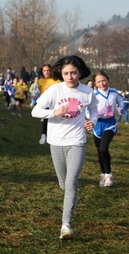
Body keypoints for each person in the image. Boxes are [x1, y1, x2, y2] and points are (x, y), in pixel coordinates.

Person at [31, 55, 97, 240]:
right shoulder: (54, 90)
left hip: (77, 141)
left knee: (71, 183)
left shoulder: (87, 91)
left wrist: (92, 121)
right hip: (56, 142)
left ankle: (65, 226)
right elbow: (35, 111)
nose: (70, 77)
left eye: (74, 73)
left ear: (80, 73)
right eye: (66, 73)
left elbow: (93, 109)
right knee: (64, 184)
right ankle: (71, 196)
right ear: (61, 72)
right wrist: (55, 112)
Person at [92, 71, 124, 188]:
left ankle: (109, 174)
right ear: (96, 83)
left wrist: (120, 107)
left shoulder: (114, 92)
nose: (102, 83)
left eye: (104, 80)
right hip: (97, 125)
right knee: (99, 151)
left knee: (103, 148)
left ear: (108, 80)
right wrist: (99, 113)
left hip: (110, 124)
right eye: (99, 81)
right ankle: (103, 174)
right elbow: (87, 111)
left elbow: (121, 100)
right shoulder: (94, 96)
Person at [38, 64, 60, 144]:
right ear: (42, 71)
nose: (46, 72)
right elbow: (39, 91)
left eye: (48, 70)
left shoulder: (56, 80)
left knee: (55, 120)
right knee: (46, 119)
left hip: (55, 103)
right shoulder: (40, 81)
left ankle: (54, 135)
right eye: (44, 71)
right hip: (46, 103)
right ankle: (44, 135)